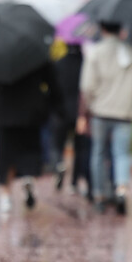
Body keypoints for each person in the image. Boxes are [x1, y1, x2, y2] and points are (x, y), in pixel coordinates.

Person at [78, 21, 132, 215]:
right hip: (125, 112)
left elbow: (87, 86)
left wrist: (91, 105)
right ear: (122, 31)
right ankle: (121, 190)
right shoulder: (131, 53)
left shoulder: (95, 52)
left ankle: (99, 195)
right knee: (122, 153)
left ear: (102, 29)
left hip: (100, 112)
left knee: (98, 152)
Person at [0, 61, 61, 214]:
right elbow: (51, 81)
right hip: (30, 110)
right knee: (28, 149)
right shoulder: (35, 55)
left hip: (5, 109)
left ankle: (6, 194)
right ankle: (28, 177)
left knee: (5, 153)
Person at [51, 41, 86, 194]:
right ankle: (74, 183)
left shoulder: (58, 64)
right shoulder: (86, 65)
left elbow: (52, 88)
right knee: (79, 149)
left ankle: (59, 164)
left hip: (61, 112)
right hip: (79, 113)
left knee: (58, 145)